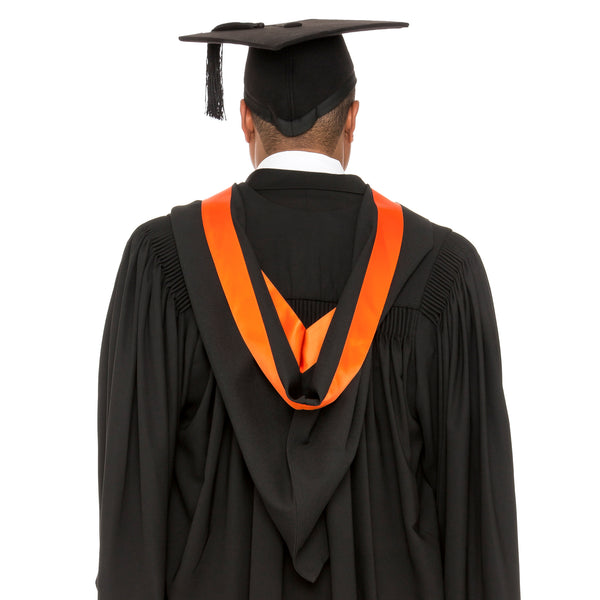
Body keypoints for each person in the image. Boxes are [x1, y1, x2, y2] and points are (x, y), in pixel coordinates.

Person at [95, 19, 521, 600]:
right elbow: (481, 539)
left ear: (244, 120)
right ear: (352, 122)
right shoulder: (442, 275)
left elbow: (130, 527)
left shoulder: (164, 267)